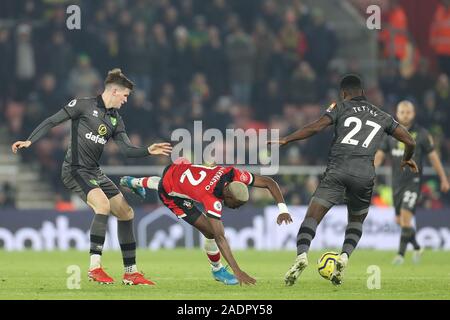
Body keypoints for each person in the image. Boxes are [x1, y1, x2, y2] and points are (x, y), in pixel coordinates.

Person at [11, 68, 172, 285]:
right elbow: (52, 121)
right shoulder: (83, 105)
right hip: (75, 169)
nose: (125, 100)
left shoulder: (116, 120)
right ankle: (95, 268)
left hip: (94, 172)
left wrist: (147, 150)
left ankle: (131, 273)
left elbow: (126, 150)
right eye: (125, 96)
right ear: (114, 91)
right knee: (103, 206)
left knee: (126, 213)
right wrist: (30, 140)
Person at [269, 74, 417, 286]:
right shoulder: (382, 115)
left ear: (344, 94)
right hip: (365, 175)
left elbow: (317, 126)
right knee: (356, 222)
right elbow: (409, 140)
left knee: (312, 217)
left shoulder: (340, 107)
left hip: (338, 170)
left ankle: (301, 256)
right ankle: (344, 257)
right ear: (363, 92)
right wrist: (406, 159)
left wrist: (287, 138)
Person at [119, 158, 293, 285]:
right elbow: (220, 237)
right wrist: (237, 270)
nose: (236, 207)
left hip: (177, 168)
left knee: (172, 182)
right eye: (236, 204)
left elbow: (269, 182)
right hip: (172, 195)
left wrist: (283, 209)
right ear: (228, 196)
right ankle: (217, 270)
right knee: (210, 231)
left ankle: (134, 181)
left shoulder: (233, 174)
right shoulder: (211, 198)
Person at [374, 100, 449, 265]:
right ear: (397, 114)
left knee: (406, 218)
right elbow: (380, 154)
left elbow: (433, 157)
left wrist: (443, 178)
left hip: (413, 182)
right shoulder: (390, 134)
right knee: (399, 221)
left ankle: (400, 255)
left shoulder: (422, 134)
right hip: (397, 183)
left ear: (413, 114)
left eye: (408, 112)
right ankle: (416, 247)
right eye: (402, 112)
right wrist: (371, 169)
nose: (405, 115)